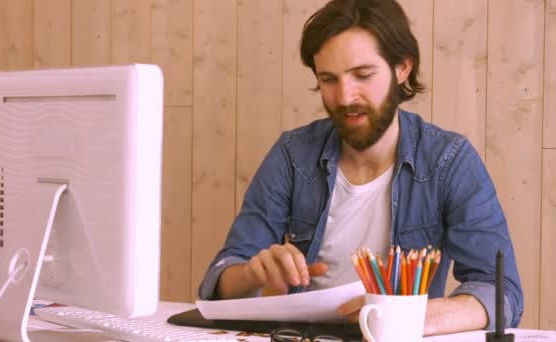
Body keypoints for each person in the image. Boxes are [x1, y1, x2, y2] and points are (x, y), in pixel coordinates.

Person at [198, 0, 523, 336]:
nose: (344, 97)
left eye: (363, 75)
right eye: (328, 79)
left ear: (402, 68)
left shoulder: (449, 161)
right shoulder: (292, 155)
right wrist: (254, 273)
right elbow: (220, 279)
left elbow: (502, 293)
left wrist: (409, 317)